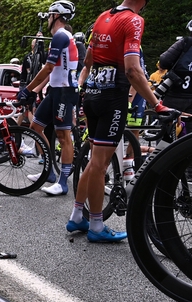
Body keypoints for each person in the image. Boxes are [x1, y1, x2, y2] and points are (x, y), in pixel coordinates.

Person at [67, 0, 175, 243]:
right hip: (112, 97)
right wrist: (156, 104)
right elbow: (132, 70)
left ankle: (76, 215)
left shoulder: (103, 16)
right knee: (99, 165)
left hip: (93, 95)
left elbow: (89, 61)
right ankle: (96, 225)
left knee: (94, 161)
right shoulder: (134, 20)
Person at [18, 1, 79, 196]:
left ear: (57, 16)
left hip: (65, 91)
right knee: (35, 127)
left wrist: (28, 89)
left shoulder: (61, 36)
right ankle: (49, 173)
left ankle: (63, 183)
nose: (47, 18)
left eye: (50, 15)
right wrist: (36, 90)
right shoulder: (58, 37)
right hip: (55, 90)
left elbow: (49, 68)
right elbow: (53, 72)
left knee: (63, 136)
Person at [159, 20, 192, 134]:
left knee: (168, 130)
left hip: (175, 94)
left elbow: (164, 62)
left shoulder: (185, 42)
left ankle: (165, 150)